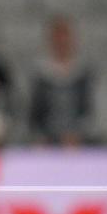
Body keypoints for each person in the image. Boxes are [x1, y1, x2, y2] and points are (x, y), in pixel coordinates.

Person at [28, 16, 93, 147]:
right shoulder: (41, 75)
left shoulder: (83, 74)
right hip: (47, 140)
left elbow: (88, 111)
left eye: (65, 37)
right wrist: (40, 137)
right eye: (58, 37)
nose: (61, 42)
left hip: (77, 141)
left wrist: (78, 134)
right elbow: (34, 113)